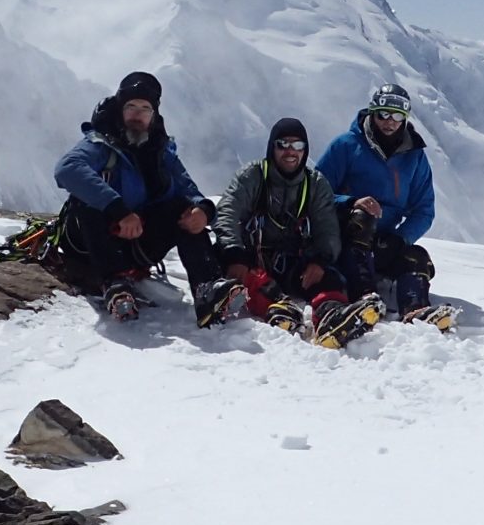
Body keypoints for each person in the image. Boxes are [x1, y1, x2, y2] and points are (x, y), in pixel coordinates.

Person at [52, 70, 220, 319]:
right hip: (89, 245)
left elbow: (188, 190)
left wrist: (203, 211)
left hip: (136, 244)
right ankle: (114, 282)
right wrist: (118, 210)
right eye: (131, 106)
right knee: (86, 202)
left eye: (145, 108)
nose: (137, 115)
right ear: (120, 109)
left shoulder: (161, 152)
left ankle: (207, 287)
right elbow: (67, 169)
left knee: (183, 210)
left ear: (154, 115)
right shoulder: (100, 143)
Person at [204, 117, 357, 335]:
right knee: (247, 277)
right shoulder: (252, 176)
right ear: (272, 147)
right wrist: (234, 254)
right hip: (250, 260)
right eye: (283, 144)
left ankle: (332, 315)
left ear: (305, 150)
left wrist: (320, 261)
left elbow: (328, 229)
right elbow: (228, 211)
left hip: (292, 262)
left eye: (297, 145)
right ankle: (278, 307)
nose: (290, 151)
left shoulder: (315, 184)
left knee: (330, 278)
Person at [317, 81, 439, 319]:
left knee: (417, 256)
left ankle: (416, 310)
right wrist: (351, 202)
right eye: (383, 114)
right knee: (363, 219)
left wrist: (400, 238)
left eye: (396, 115)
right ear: (373, 113)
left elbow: (424, 210)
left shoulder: (414, 156)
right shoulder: (346, 146)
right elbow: (317, 192)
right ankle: (364, 298)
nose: (389, 121)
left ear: (405, 118)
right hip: (344, 237)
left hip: (384, 241)